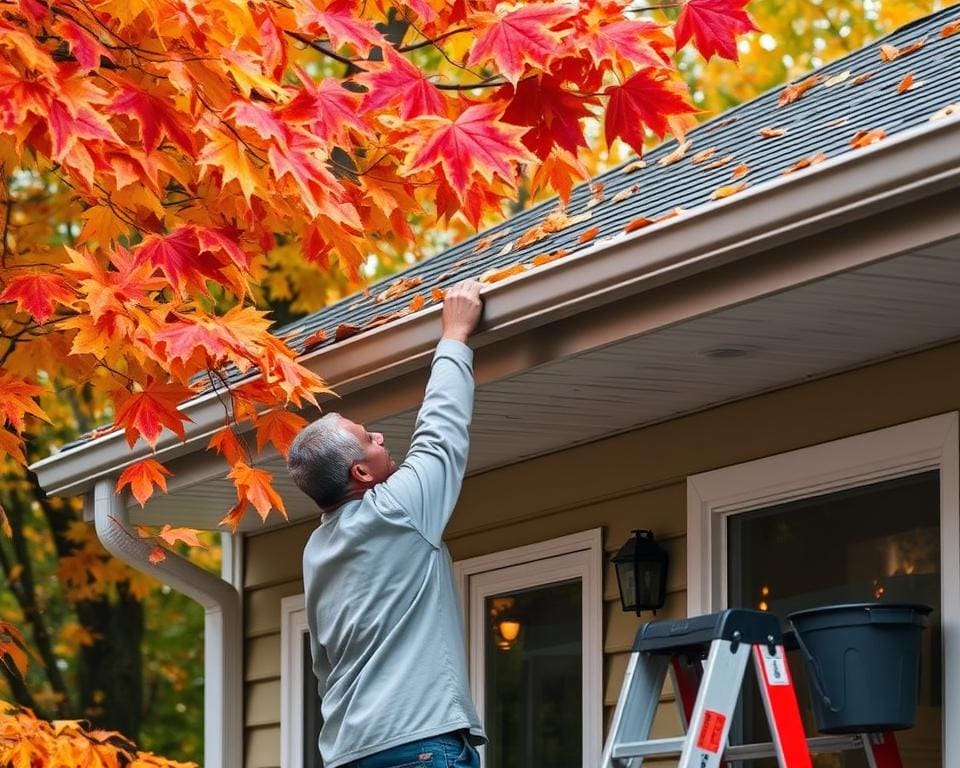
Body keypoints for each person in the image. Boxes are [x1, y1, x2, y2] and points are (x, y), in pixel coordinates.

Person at [288, 280, 487, 768]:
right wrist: (454, 335)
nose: (379, 435)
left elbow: (325, 665)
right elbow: (441, 431)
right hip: (420, 745)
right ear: (360, 473)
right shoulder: (395, 512)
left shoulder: (318, 550)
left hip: (351, 752)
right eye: (367, 439)